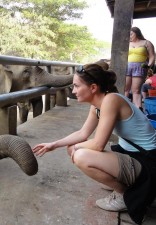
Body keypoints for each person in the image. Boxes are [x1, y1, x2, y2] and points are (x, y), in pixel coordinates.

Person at [32, 63, 156, 224]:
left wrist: (75, 148)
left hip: (149, 162)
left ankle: (123, 195)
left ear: (93, 88)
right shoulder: (98, 105)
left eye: (76, 86)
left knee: (81, 156)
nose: (73, 91)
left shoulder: (111, 100)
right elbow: (83, 133)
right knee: (75, 150)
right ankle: (123, 182)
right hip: (134, 156)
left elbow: (98, 144)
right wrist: (54, 144)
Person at [125, 27, 155, 110]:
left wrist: (148, 65)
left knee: (136, 90)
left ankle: (138, 110)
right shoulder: (127, 43)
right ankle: (123, 108)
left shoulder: (146, 43)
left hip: (140, 68)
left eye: (131, 34)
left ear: (137, 33)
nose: (129, 36)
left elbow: (152, 56)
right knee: (125, 89)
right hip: (127, 67)